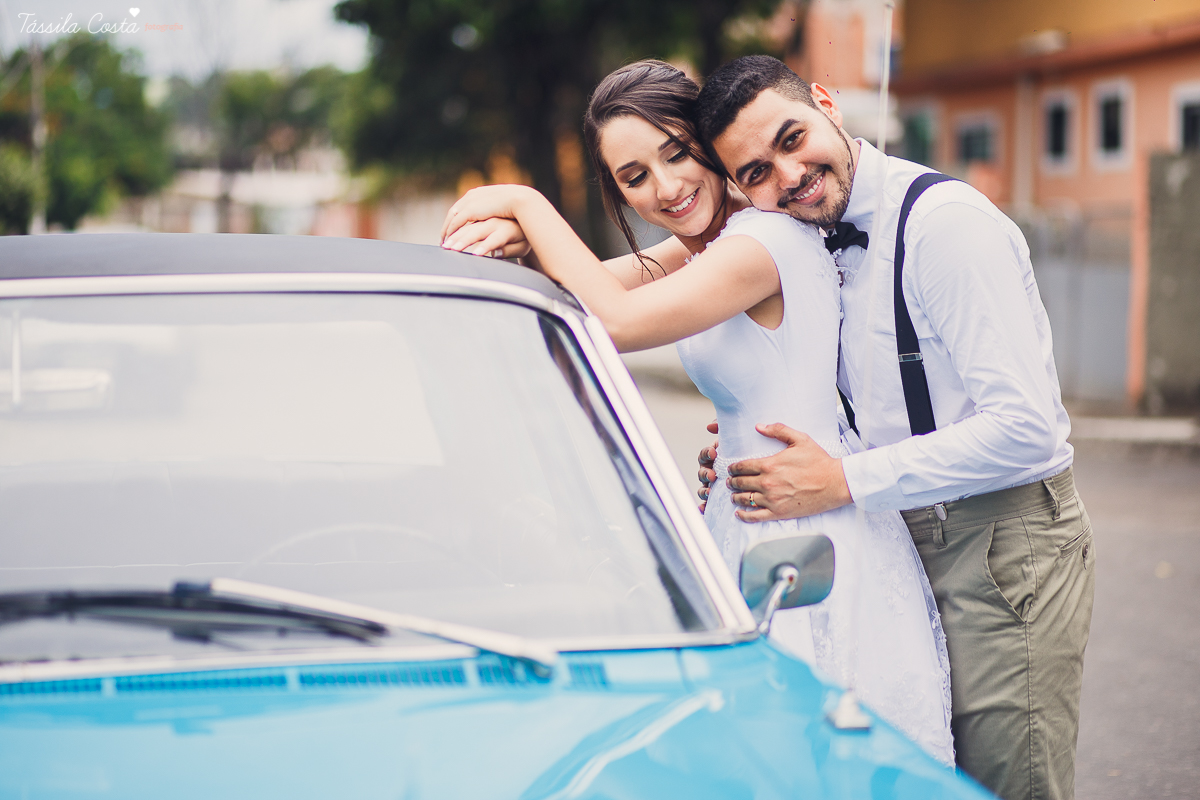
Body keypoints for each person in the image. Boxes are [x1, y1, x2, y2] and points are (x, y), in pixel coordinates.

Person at [440, 59, 954, 765]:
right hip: (743, 518)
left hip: (811, 530)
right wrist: (518, 248)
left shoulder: (761, 245)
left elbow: (615, 319)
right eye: (634, 177)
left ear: (709, 144)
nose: (667, 187)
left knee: (807, 754)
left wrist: (526, 204)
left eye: (676, 154)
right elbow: (573, 296)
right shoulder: (699, 253)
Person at [690, 55, 1095, 800]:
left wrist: (840, 480)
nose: (788, 175)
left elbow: (1027, 428)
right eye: (754, 172)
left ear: (826, 103)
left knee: (1007, 781)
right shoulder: (807, 235)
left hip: (1002, 549)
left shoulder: (947, 229)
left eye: (792, 137)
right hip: (895, 539)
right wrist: (763, 448)